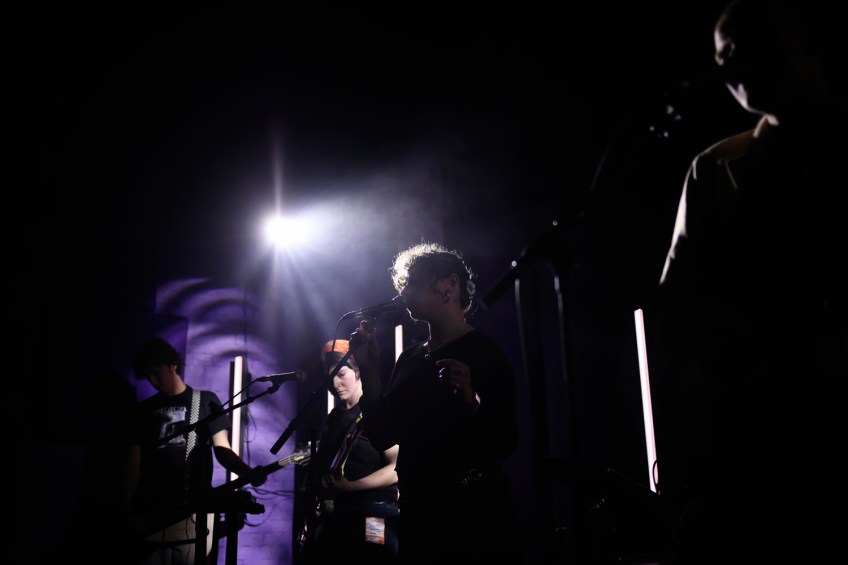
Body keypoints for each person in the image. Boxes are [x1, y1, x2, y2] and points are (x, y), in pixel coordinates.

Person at [652, 1, 847, 562]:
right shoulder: (713, 168)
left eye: (745, 43)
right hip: (759, 442)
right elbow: (677, 306)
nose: (729, 64)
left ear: (804, 37)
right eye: (722, 53)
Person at [349, 242, 522, 564]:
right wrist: (370, 372)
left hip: (473, 513)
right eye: (403, 284)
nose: (403, 292)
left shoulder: (484, 351)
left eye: (412, 282)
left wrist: (471, 404)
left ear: (449, 285)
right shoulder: (410, 358)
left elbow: (505, 442)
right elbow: (384, 435)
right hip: (420, 514)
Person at [124, 337, 268, 565]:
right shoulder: (144, 410)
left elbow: (222, 449)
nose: (153, 381)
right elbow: (134, 464)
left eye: (156, 373)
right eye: (148, 376)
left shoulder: (204, 401)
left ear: (173, 364)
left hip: (191, 514)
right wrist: (125, 509)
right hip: (151, 514)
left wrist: (246, 472)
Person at [301, 338, 400, 564]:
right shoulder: (333, 418)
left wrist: (351, 487)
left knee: (375, 557)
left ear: (357, 370)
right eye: (329, 377)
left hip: (376, 513)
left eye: (341, 374)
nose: (335, 383)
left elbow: (395, 469)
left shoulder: (376, 410)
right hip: (339, 514)